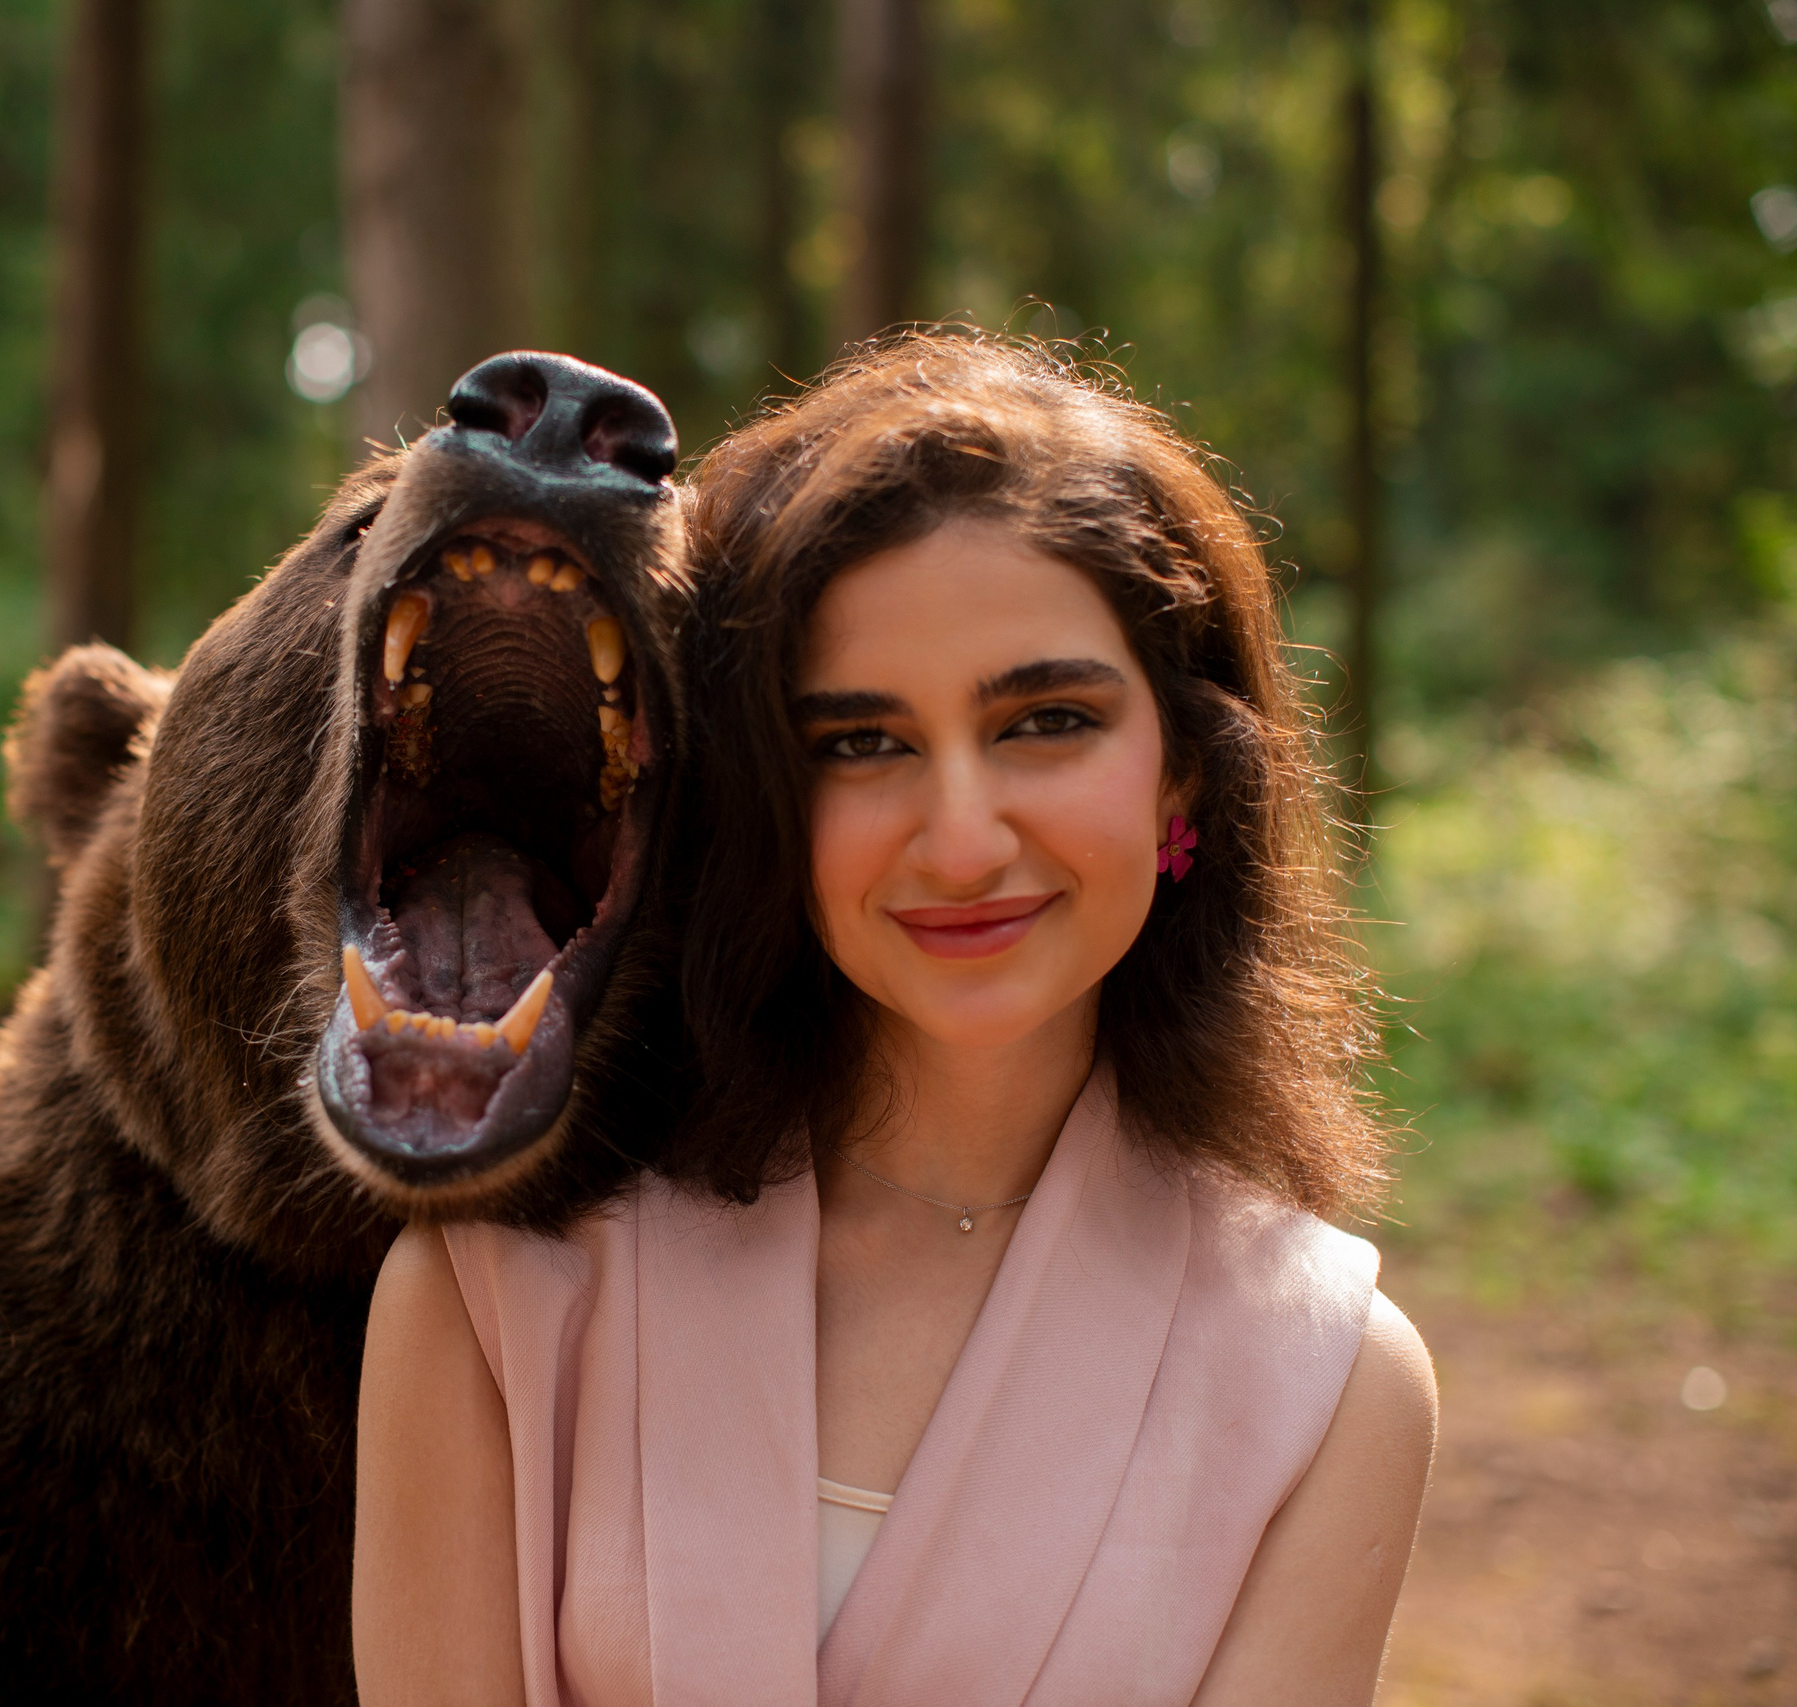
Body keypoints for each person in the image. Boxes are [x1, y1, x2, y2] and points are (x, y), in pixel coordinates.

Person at [352, 331, 1438, 1706]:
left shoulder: (1328, 1385)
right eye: (860, 744)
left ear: (1183, 785)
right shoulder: (496, 1296)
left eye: (1047, 721)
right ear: (761, 800)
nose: (964, 839)